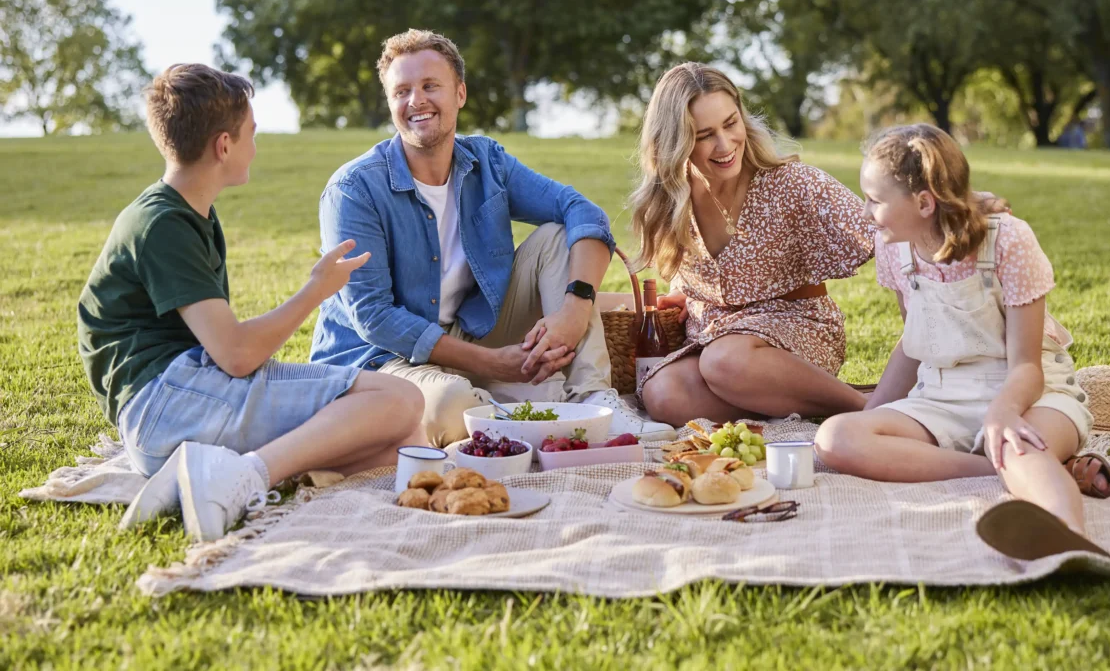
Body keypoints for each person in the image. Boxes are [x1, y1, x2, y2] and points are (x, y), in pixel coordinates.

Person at [77, 64, 426, 542]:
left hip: (183, 397)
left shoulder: (188, 212)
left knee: (403, 444)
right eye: (252, 134)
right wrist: (315, 290)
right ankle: (243, 478)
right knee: (401, 398)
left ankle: (197, 475)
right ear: (224, 145)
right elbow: (237, 355)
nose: (255, 146)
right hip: (164, 406)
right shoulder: (163, 224)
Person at [312, 29, 673, 445]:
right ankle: (515, 407)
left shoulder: (486, 161)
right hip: (383, 361)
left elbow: (583, 212)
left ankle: (594, 404)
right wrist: (492, 363)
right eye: (402, 91)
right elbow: (374, 317)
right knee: (452, 402)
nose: (417, 101)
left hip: (472, 332)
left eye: (431, 86)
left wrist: (575, 308)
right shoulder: (353, 190)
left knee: (557, 236)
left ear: (460, 93)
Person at [814, 123, 1110, 561]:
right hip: (942, 396)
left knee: (1016, 447)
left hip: (1030, 392)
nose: (865, 212)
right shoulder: (895, 249)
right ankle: (1017, 470)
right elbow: (915, 341)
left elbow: (1028, 367)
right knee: (835, 438)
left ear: (923, 202)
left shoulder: (1009, 240)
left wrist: (1003, 413)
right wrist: (871, 415)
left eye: (875, 200)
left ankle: (1069, 540)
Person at [629, 63, 876, 426]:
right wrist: (687, 293)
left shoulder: (792, 182)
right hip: (715, 338)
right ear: (674, 142)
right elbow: (698, 270)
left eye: (731, 123)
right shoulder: (671, 198)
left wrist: (958, 211)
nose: (725, 145)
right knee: (661, 395)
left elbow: (881, 229)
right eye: (703, 135)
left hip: (791, 331)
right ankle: (802, 406)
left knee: (724, 361)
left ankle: (867, 409)